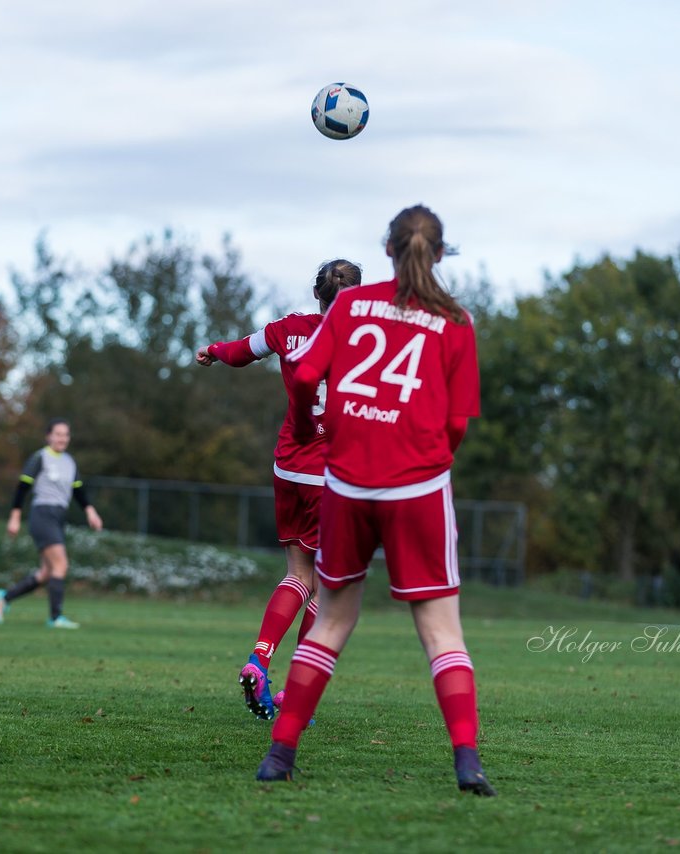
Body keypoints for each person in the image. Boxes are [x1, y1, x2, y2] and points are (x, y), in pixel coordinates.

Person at [254, 205, 496, 796]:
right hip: (417, 482)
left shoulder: (350, 307)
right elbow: (458, 423)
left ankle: (279, 757)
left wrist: (325, 431)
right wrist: (433, 453)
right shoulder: (456, 320)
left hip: (347, 481)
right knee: (442, 633)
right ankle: (467, 762)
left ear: (387, 251)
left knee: (332, 620)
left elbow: (307, 377)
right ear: (439, 255)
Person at [196, 259, 362, 720]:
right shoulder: (366, 341)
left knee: (296, 576)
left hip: (289, 465)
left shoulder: (289, 329)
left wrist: (211, 349)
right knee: (325, 590)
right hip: (333, 475)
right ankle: (297, 689)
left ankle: (259, 658)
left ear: (317, 295)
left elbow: (239, 351)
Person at [0, 419, 103, 628]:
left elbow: (78, 491)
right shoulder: (40, 458)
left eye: (66, 435)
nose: (62, 438)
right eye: (58, 434)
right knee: (61, 565)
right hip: (42, 514)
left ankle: (5, 597)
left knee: (46, 573)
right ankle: (55, 618)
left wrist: (91, 511)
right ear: (48, 436)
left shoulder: (70, 462)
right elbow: (22, 487)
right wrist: (15, 516)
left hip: (59, 516)